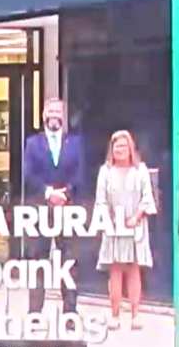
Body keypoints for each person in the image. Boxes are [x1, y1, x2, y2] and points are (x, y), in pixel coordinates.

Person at [22, 97, 86, 314]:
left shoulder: (75, 143)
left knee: (69, 260)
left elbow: (80, 174)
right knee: (38, 261)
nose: (54, 116)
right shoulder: (33, 143)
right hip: (40, 208)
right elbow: (28, 174)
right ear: (44, 116)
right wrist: (48, 193)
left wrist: (65, 194)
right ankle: (34, 311)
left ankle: (70, 310)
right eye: (51, 112)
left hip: (68, 209)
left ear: (63, 117)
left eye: (58, 113)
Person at [94, 129, 157, 330]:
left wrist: (136, 216)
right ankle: (114, 315)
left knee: (134, 270)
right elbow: (100, 200)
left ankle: (135, 315)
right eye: (116, 146)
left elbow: (148, 198)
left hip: (135, 225)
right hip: (113, 227)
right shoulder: (105, 171)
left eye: (123, 145)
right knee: (115, 271)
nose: (119, 150)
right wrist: (109, 219)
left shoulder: (141, 170)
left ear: (130, 148)